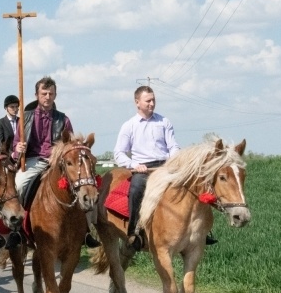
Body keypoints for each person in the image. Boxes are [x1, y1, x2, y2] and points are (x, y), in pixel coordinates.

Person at [114, 85, 214, 251]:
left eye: (153, 100)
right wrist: (134, 165)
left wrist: (174, 159)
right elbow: (119, 153)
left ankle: (203, 230)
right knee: (136, 189)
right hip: (144, 169)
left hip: (166, 166)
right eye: (148, 101)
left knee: (196, 183)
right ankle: (134, 233)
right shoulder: (129, 126)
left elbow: (173, 145)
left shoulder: (164, 122)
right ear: (137, 102)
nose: (152, 104)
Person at [12, 76, 99, 249]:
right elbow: (15, 145)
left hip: (57, 162)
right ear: (37, 95)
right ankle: (18, 230)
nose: (47, 97)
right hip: (32, 160)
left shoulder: (63, 119)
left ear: (55, 95)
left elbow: (71, 144)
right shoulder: (25, 118)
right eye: (44, 93)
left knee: (83, 185)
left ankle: (85, 230)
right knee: (20, 183)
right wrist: (18, 150)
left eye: (51, 93)